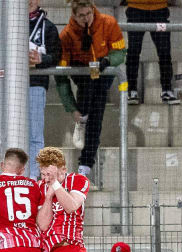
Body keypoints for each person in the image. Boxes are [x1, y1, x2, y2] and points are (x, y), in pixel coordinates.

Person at [55, 0, 126, 178]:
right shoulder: (66, 35)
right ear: (74, 15)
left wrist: (108, 61)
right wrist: (72, 108)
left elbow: (120, 53)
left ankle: (85, 165)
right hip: (82, 73)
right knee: (88, 87)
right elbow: (61, 76)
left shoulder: (108, 23)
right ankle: (81, 118)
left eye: (89, 13)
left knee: (97, 118)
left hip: (103, 72)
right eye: (81, 15)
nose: (86, 18)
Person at [0, 0, 62, 179]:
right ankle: (9, 174)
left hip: (36, 85)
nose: (29, 1)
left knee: (34, 134)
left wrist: (41, 59)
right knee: (7, 132)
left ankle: (32, 177)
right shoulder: (5, 22)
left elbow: (56, 56)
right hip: (9, 86)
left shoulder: (48, 27)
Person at [124, 0, 179, 105]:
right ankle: (132, 91)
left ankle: (167, 90)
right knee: (133, 51)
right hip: (135, 8)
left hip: (160, 10)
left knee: (164, 51)